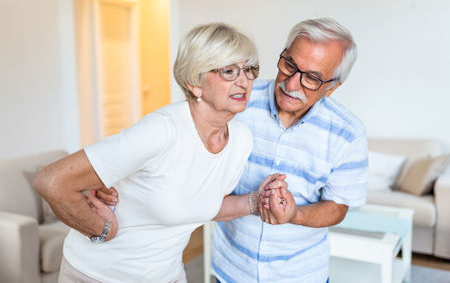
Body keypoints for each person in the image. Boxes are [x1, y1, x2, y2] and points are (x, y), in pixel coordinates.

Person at [34, 23, 285, 283]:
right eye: (229, 71)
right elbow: (52, 181)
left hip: (167, 275)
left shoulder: (241, 139)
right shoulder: (162, 131)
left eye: (249, 69)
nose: (244, 81)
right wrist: (102, 229)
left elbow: (202, 204)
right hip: (99, 275)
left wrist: (256, 201)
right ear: (194, 82)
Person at [212, 18, 369, 283]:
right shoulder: (238, 104)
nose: (292, 84)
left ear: (333, 87)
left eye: (312, 78)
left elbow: (338, 206)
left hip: (301, 275)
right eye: (289, 65)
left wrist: (295, 214)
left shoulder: (349, 134)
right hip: (230, 270)